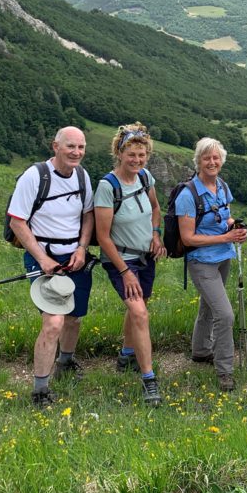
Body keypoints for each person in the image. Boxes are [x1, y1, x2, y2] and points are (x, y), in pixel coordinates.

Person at [7, 126, 94, 408]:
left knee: (75, 317)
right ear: (55, 146)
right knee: (53, 322)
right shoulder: (35, 177)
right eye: (70, 146)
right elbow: (17, 222)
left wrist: (82, 248)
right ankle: (40, 390)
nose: (76, 153)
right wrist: (43, 259)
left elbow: (88, 214)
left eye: (81, 147)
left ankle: (65, 362)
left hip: (74, 258)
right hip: (42, 257)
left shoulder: (82, 176)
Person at [93, 122, 166, 406]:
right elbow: (102, 236)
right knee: (140, 313)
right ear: (119, 153)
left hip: (145, 256)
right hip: (121, 259)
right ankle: (149, 379)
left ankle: (126, 355)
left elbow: (156, 209)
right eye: (131, 154)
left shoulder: (145, 178)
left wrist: (156, 234)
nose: (137, 160)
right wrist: (124, 272)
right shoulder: (107, 187)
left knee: (138, 308)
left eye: (142, 154)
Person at [175, 137, 247, 392]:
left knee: (208, 308)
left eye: (216, 157)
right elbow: (187, 238)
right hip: (201, 261)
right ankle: (225, 371)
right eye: (206, 157)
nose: (212, 162)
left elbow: (225, 217)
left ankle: (201, 351)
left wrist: (235, 229)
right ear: (198, 161)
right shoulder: (188, 195)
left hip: (223, 258)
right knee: (225, 314)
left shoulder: (222, 186)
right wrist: (226, 237)